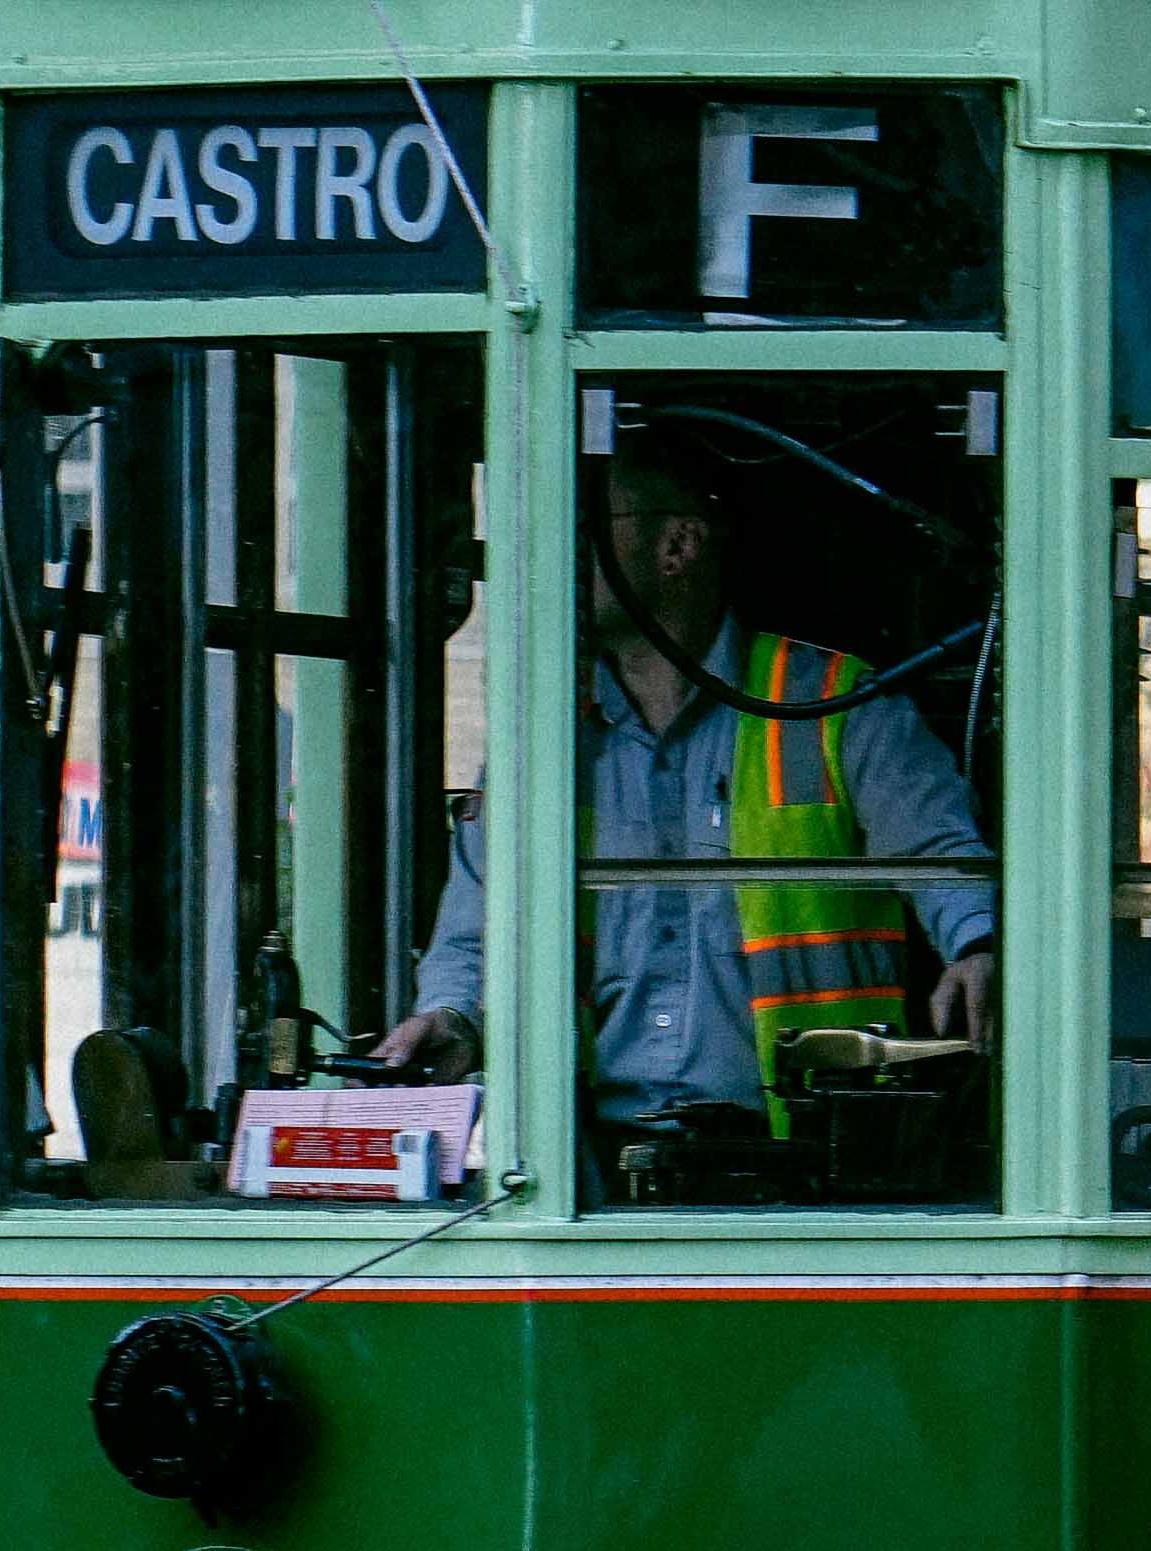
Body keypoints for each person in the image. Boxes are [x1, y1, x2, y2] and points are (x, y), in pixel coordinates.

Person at [378, 448, 994, 1138]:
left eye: (581, 528)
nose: (551, 553)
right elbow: (477, 923)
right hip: (592, 1165)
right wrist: (451, 1015)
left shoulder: (834, 704)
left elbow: (942, 852)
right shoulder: (544, 742)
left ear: (677, 545)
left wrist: (977, 946)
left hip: (810, 1155)